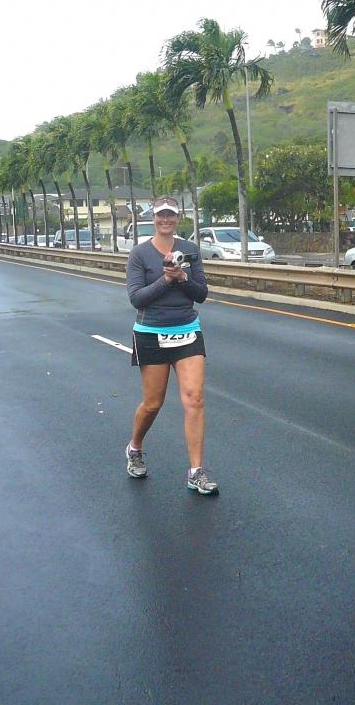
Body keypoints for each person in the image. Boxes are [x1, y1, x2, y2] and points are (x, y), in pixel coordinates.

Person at [124, 196, 216, 495]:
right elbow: (137, 298)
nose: (165, 220)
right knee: (153, 403)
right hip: (151, 332)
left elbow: (201, 294)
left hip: (187, 330)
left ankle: (196, 471)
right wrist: (166, 279)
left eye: (171, 215)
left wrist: (183, 277)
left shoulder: (190, 250)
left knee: (195, 399)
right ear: (153, 218)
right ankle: (135, 447)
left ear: (178, 218)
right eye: (161, 215)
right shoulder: (139, 253)